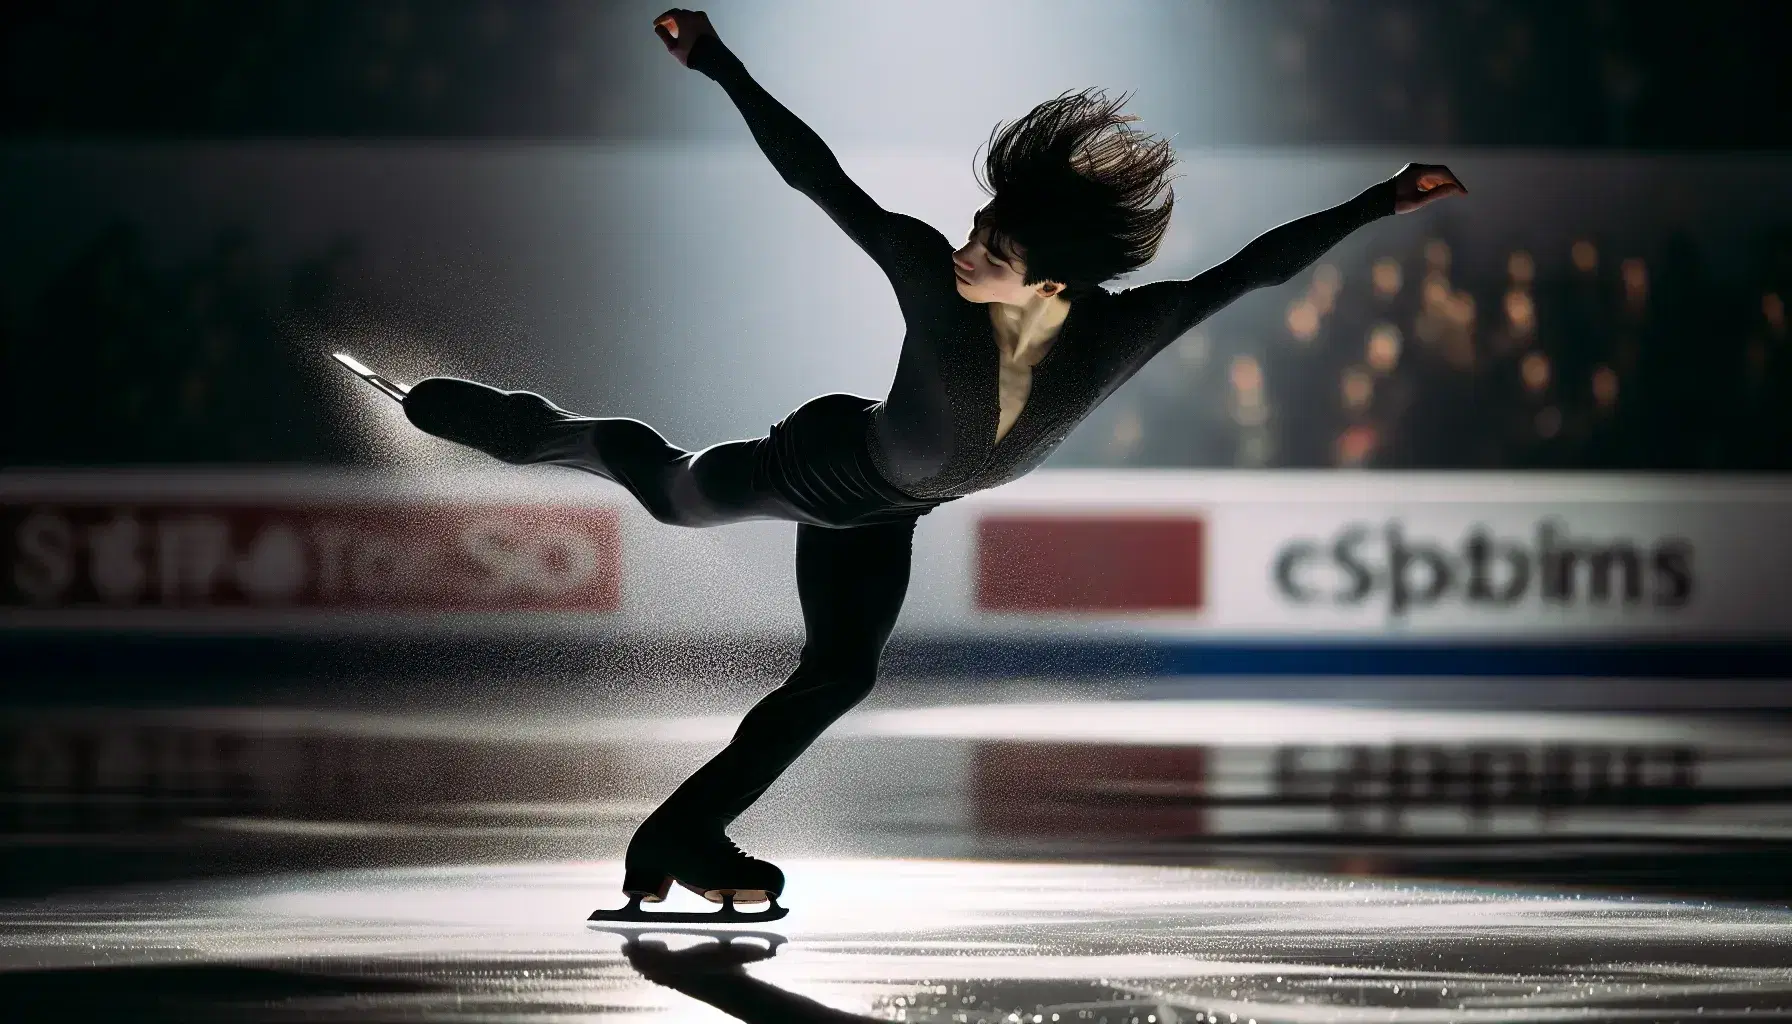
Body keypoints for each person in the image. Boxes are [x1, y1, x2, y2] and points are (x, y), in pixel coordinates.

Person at [396, 8, 1466, 919]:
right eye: (976, 227)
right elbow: (818, 177)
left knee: (841, 673)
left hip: (897, 507)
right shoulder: (930, 275)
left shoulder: (1123, 331)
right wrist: (719, 63)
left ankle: (683, 835)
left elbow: (1258, 267)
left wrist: (1383, 199)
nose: (966, 250)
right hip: (827, 463)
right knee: (672, 492)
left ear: (1049, 284)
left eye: (993, 250)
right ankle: (528, 428)